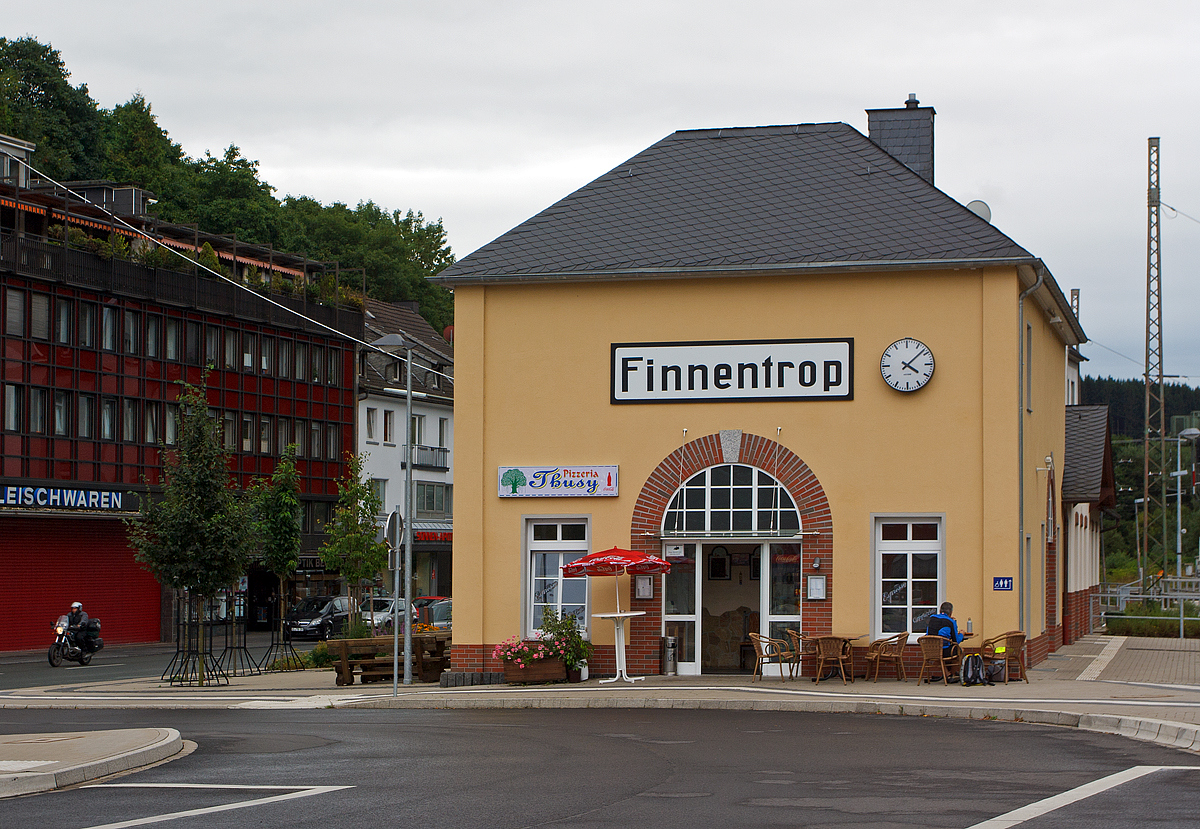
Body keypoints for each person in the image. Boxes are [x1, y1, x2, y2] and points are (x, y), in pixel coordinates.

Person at [926, 601, 964, 676]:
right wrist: (962, 634)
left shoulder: (932, 618)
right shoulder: (950, 622)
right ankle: (952, 674)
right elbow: (956, 641)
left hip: (930, 650)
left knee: (940, 654)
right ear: (951, 612)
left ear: (940, 610)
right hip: (944, 651)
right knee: (960, 651)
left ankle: (947, 673)